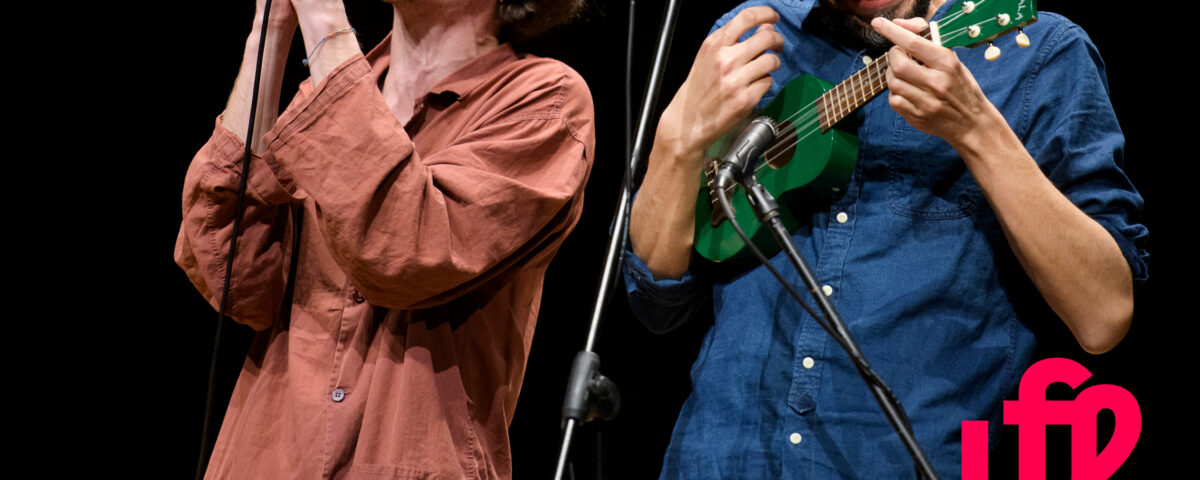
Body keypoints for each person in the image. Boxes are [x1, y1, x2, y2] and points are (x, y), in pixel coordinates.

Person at [624, 0, 1146, 477]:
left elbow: (1103, 314)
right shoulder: (757, 33)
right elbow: (654, 301)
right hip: (718, 459)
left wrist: (977, 130)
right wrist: (677, 138)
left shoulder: (1039, 53)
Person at [175, 0, 593, 478]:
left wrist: (326, 21)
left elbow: (406, 252)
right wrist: (269, 31)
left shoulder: (546, 101)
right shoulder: (327, 98)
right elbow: (237, 281)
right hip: (266, 457)